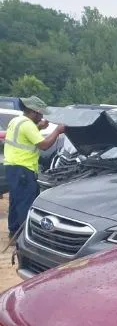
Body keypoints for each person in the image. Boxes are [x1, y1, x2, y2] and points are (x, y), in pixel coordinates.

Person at [3, 96, 65, 237]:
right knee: (25, 202)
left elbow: (25, 136)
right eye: (41, 113)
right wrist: (57, 131)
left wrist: (39, 127)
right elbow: (44, 145)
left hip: (12, 167)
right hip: (23, 169)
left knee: (15, 199)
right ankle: (25, 236)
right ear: (34, 111)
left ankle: (13, 231)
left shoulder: (17, 121)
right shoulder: (28, 125)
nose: (42, 116)